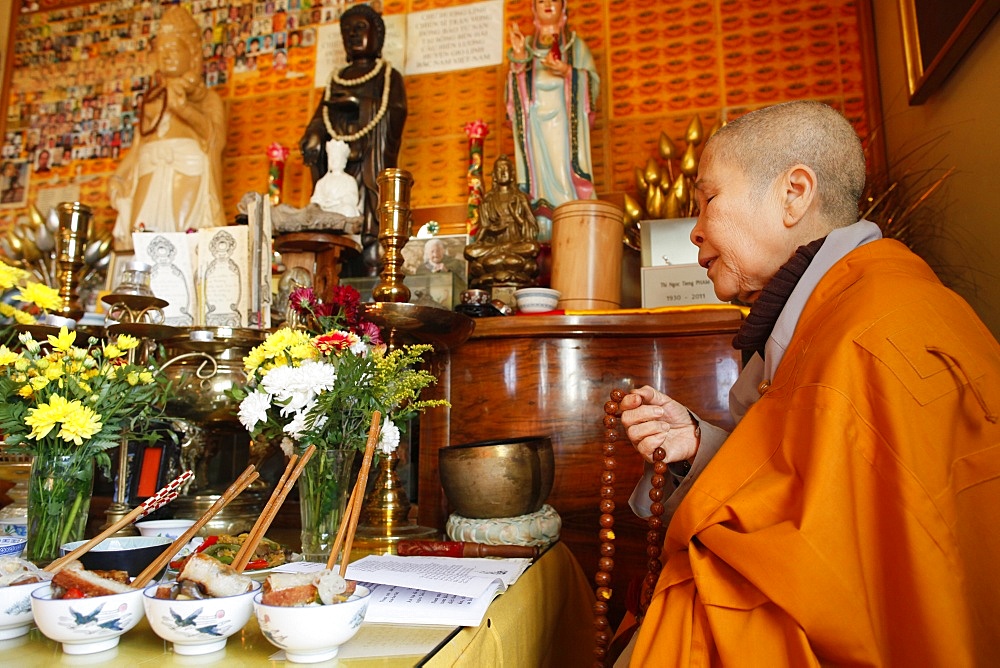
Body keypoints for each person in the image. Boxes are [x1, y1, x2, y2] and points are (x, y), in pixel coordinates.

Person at [617, 101, 1000, 666]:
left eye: (707, 200)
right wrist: (699, 448)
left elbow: (838, 574)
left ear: (794, 193)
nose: (694, 230)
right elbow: (823, 499)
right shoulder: (845, 309)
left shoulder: (866, 331)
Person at [108, 6, 225, 251]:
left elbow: (214, 139)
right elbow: (138, 147)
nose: (166, 55)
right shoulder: (152, 101)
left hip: (186, 174)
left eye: (173, 49)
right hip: (149, 172)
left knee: (183, 240)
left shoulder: (206, 99)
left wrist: (183, 109)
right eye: (161, 49)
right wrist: (119, 176)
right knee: (139, 239)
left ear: (192, 53)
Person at [299, 3, 406, 272]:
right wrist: (313, 135)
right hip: (338, 164)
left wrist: (359, 102)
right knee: (336, 224)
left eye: (360, 28)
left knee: (371, 225)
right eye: (347, 31)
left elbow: (395, 112)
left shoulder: (388, 76)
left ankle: (370, 261)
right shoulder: (337, 79)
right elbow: (320, 117)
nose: (353, 35)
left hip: (369, 163)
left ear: (377, 35)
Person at [506, 0, 598, 222]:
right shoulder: (525, 47)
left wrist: (567, 70)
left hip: (564, 124)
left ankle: (571, 215)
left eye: (554, 0)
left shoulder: (576, 47)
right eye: (541, 1)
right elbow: (514, 95)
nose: (547, 4)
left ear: (564, 7)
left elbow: (592, 83)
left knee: (562, 173)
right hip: (534, 126)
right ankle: (540, 221)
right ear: (533, 8)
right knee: (537, 178)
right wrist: (519, 59)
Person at [463, 154, 540, 288]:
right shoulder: (488, 199)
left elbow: (532, 230)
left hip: (514, 247)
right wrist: (489, 229)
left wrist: (517, 217)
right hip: (495, 249)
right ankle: (504, 260)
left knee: (532, 248)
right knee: (470, 251)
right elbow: (482, 233)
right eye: (499, 169)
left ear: (512, 174)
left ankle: (501, 260)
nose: (503, 172)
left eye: (506, 169)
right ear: (494, 174)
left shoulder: (519, 197)